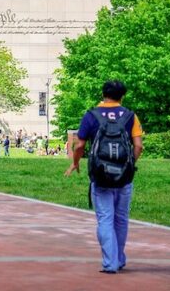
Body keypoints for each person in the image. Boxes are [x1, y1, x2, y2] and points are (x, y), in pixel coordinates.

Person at [64, 80, 144, 274]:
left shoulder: (91, 115)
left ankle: (110, 262)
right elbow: (139, 146)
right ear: (122, 96)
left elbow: (80, 145)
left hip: (100, 176)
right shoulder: (130, 116)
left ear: (103, 94)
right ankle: (120, 258)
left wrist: (75, 163)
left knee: (105, 219)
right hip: (124, 177)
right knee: (121, 219)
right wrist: (129, 165)